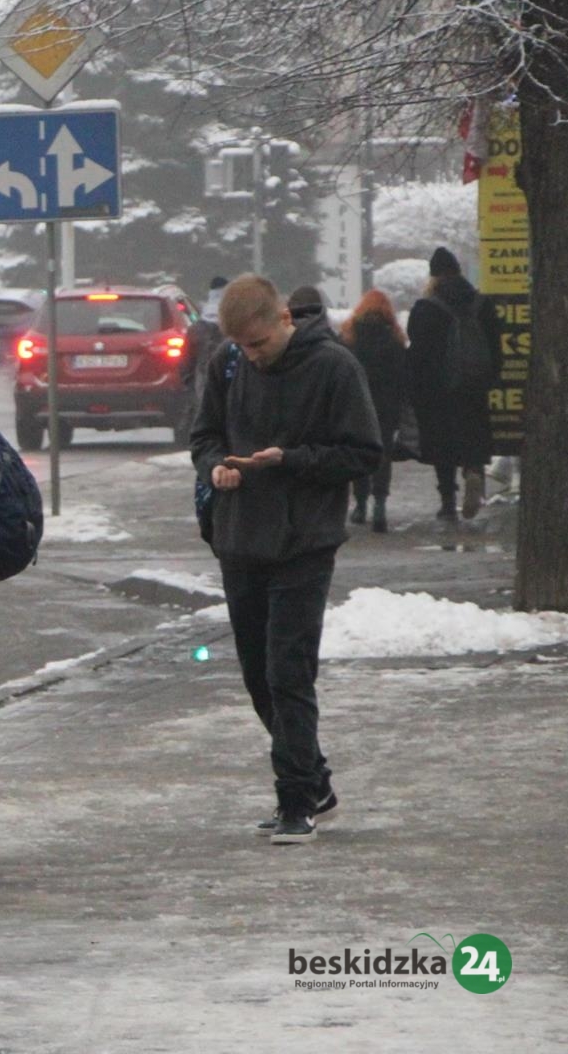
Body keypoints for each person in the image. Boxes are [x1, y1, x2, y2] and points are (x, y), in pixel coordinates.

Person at [190, 275, 381, 844]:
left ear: (283, 320)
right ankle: (315, 780)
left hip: (304, 540)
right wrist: (215, 466)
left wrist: (290, 460)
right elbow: (202, 436)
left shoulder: (334, 367)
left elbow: (363, 451)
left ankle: (295, 799)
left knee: (287, 671)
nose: (251, 356)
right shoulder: (228, 363)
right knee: (258, 677)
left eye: (258, 344)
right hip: (239, 537)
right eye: (242, 347)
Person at [406, 247, 503, 521]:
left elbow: (417, 353)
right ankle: (473, 471)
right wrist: (490, 378)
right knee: (473, 436)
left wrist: (415, 389)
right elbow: (496, 347)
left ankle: (448, 502)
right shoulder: (482, 305)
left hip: (438, 392)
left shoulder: (426, 308)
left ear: (434, 276)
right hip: (474, 386)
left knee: (442, 446)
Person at [340, 290, 408, 533]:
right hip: (386, 406)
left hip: (357, 403)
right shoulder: (395, 339)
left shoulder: (349, 336)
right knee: (383, 453)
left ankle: (360, 505)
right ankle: (380, 504)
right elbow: (403, 376)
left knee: (359, 451)